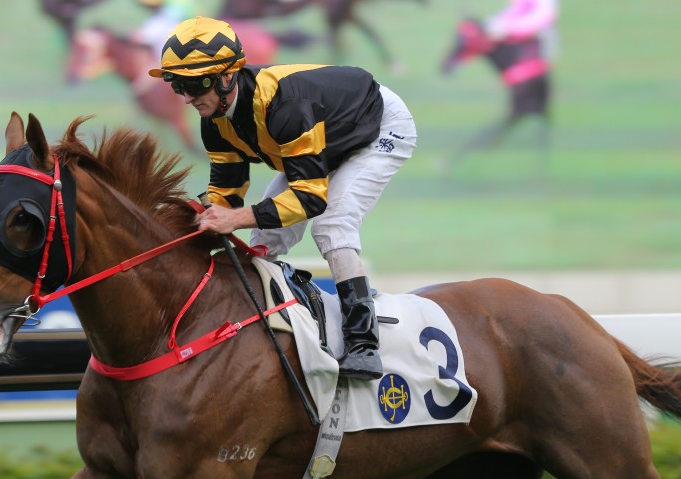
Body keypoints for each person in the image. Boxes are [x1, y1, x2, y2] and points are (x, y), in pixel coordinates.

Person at [148, 16, 417, 380]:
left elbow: (309, 200)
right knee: (265, 239)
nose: (187, 96)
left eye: (196, 83)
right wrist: (200, 221)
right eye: (177, 83)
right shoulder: (214, 119)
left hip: (378, 127)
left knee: (332, 224)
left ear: (228, 75)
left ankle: (363, 345)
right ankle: (264, 326)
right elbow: (226, 196)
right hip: (326, 132)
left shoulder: (284, 107)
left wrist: (233, 218)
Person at [484, 0, 559, 59]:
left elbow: (545, 16)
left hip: (536, 44)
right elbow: (519, 9)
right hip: (522, 40)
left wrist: (508, 27)